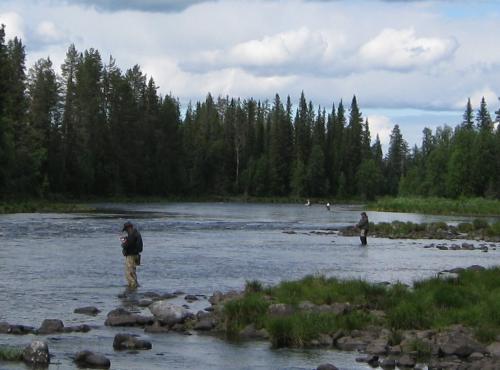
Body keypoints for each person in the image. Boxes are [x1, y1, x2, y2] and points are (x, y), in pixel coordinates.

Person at [120, 221, 143, 289]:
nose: (126, 231)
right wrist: (127, 239)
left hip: (131, 256)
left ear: (129, 227)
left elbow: (128, 245)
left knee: (128, 273)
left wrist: (123, 243)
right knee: (133, 272)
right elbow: (134, 243)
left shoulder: (132, 234)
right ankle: (135, 286)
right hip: (136, 255)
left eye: (126, 229)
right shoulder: (136, 233)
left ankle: (132, 287)